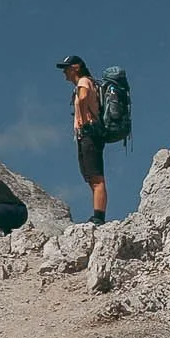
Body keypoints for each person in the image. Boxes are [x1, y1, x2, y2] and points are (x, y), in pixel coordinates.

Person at [57, 54, 110, 225]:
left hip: (89, 134)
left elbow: (84, 97)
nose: (64, 72)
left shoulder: (83, 82)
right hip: (87, 134)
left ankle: (99, 217)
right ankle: (97, 215)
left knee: (96, 178)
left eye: (66, 68)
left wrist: (83, 116)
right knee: (91, 177)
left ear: (76, 67)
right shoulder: (86, 82)